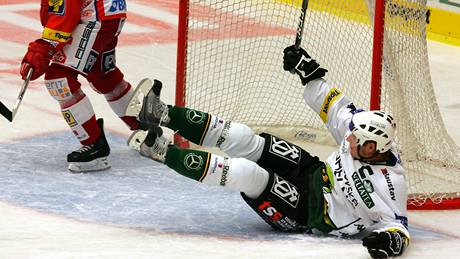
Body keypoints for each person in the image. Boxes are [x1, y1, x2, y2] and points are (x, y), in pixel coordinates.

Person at [126, 46, 410, 258]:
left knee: (246, 173)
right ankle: (161, 113)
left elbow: (397, 227)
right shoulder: (358, 131)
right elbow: (331, 104)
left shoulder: (391, 183)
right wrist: (308, 72)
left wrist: (390, 243)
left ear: (372, 147)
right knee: (241, 137)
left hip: (310, 214)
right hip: (312, 170)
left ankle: (161, 151)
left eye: (354, 140)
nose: (347, 140)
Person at [19, 0, 148, 172]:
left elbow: (66, 14)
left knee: (59, 79)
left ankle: (94, 146)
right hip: (107, 11)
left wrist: (44, 48)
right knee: (103, 76)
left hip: (96, 14)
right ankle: (148, 132)